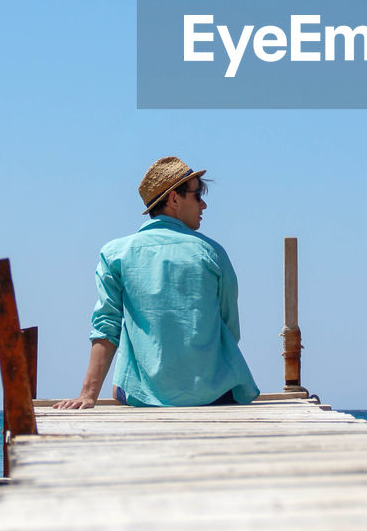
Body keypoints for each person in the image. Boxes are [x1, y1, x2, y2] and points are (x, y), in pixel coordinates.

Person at [54, 156, 259, 409]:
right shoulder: (212, 252)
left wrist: (87, 394)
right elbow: (229, 329)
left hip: (141, 396)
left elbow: (106, 326)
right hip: (213, 393)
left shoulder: (115, 253)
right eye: (198, 195)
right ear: (174, 199)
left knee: (122, 380)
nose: (204, 204)